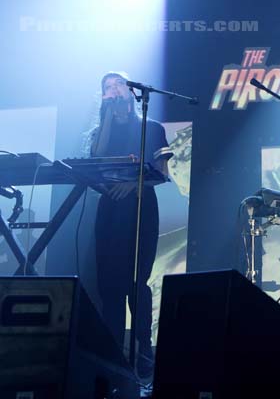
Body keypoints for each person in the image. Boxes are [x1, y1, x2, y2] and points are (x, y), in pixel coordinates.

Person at [89, 71, 169, 379]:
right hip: (109, 208)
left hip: (140, 207)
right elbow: (96, 160)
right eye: (107, 86)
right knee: (109, 285)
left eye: (118, 83)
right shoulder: (100, 132)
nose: (113, 89)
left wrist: (135, 184)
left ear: (132, 90)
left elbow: (162, 171)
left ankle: (144, 352)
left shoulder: (151, 127)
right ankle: (111, 356)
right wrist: (108, 116)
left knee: (137, 282)